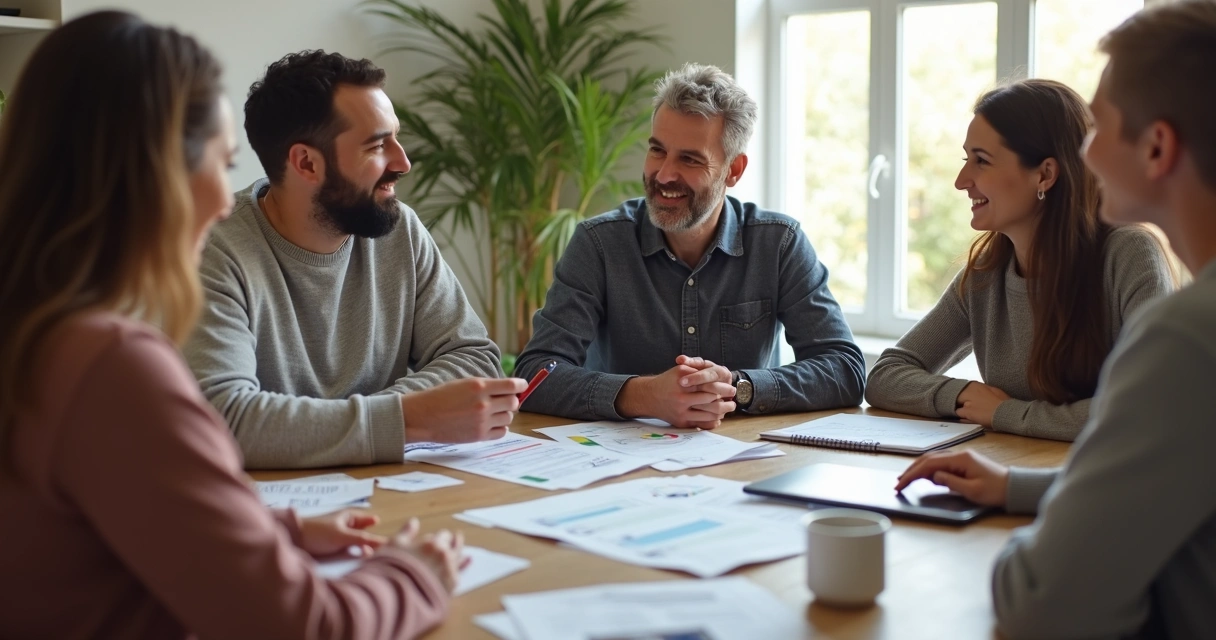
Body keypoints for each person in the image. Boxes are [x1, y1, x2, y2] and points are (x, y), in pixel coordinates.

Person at [0, 12, 463, 638]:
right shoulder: (110, 365)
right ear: (153, 174)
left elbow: (115, 514)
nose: (226, 200)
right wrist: (414, 575)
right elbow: (304, 625)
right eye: (218, 165)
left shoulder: (38, 334)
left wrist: (277, 531)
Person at [896, 2, 1216, 636]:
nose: (1085, 153)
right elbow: (1165, 485)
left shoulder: (1187, 336)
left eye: (1100, 129)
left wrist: (1013, 539)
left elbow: (1040, 600)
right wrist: (1017, 488)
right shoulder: (988, 271)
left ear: (1156, 147)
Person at [182, 51, 525, 469]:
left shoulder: (399, 228)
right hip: (278, 507)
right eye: (378, 145)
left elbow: (473, 356)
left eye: (396, 138)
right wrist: (409, 418)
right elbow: (224, 421)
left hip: (395, 488)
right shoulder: (213, 250)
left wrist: (368, 422)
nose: (403, 163)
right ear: (307, 162)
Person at [515, 63, 865, 428]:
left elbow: (845, 369)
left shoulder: (779, 244)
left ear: (734, 170)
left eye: (690, 159)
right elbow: (537, 374)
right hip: (622, 465)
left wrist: (737, 388)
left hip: (743, 459)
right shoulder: (599, 244)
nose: (664, 175)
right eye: (657, 151)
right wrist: (647, 395)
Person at [865, 78, 1174, 441]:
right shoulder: (984, 275)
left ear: (1044, 174)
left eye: (981, 161)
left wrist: (1005, 413)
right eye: (967, 159)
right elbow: (885, 376)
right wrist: (962, 395)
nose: (961, 180)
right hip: (1013, 471)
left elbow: (1148, 404)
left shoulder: (1129, 255)